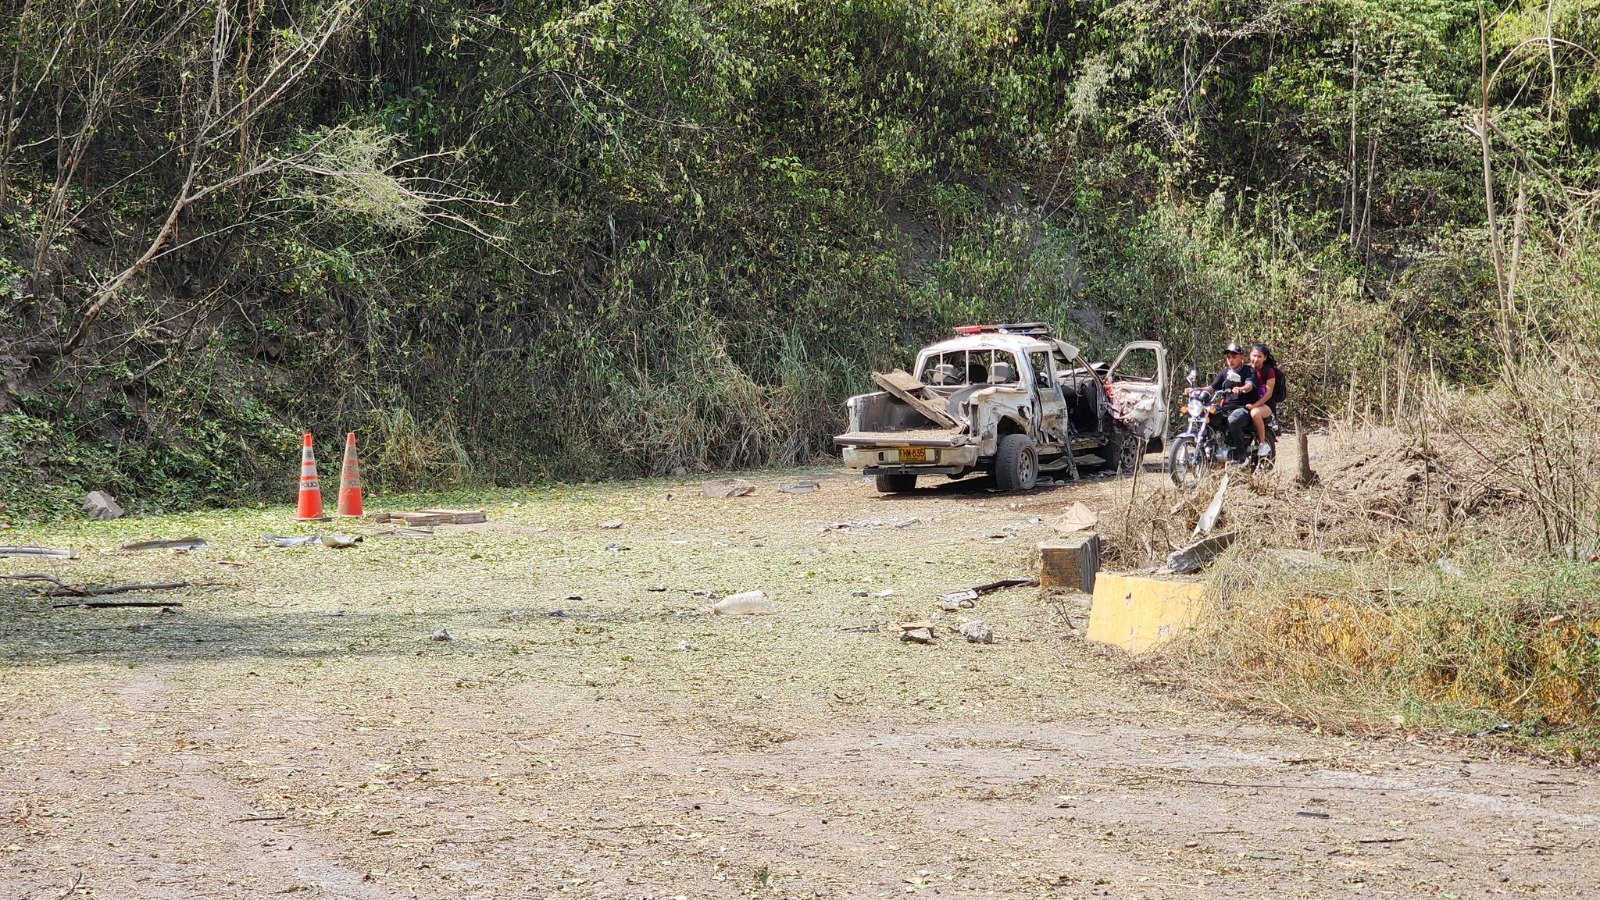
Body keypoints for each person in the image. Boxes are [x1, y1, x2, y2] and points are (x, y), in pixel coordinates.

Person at [1208, 343, 1257, 459]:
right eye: (1228, 357)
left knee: (1233, 420)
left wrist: (1241, 388)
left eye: (1234, 357)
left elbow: (1249, 385)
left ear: (1242, 357)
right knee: (1208, 414)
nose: (1231, 360)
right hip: (1226, 408)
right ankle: (1211, 448)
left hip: (1243, 408)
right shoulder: (1225, 372)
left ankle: (1241, 454)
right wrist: (1196, 390)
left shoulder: (1248, 370)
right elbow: (1211, 388)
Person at [1246, 343, 1280, 457]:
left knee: (1255, 413)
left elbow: (1268, 394)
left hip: (1266, 405)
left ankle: (1262, 443)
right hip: (1248, 403)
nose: (1256, 359)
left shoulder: (1269, 371)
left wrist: (1255, 405)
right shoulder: (1245, 369)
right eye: (1254, 356)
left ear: (1265, 358)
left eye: (1259, 356)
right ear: (1249, 355)